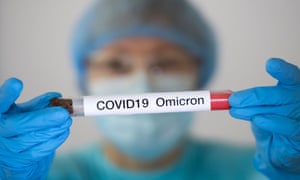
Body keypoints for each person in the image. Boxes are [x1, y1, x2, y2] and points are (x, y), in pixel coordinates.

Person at [0, 0, 299, 179]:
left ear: (198, 73)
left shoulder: (258, 171)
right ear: (85, 76)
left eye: (165, 63)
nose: (142, 85)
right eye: (116, 64)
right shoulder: (44, 174)